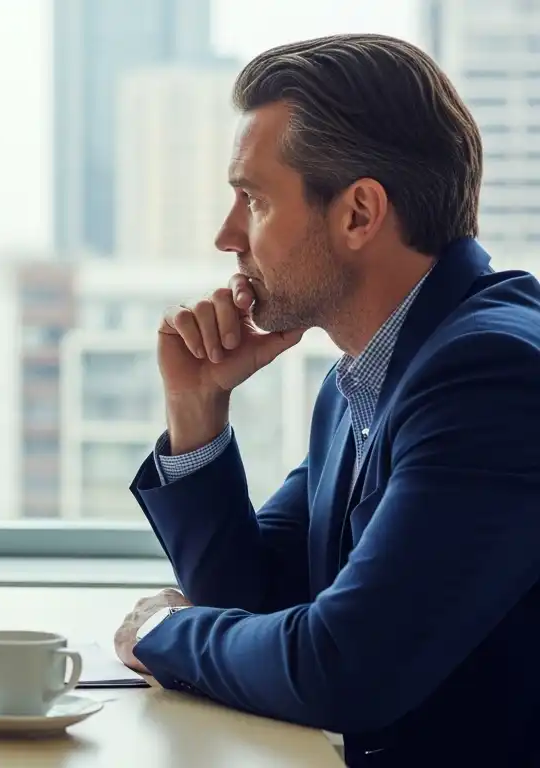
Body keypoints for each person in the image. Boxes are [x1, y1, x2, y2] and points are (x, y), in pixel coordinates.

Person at [111, 34, 540, 766]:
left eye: (253, 200)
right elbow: (255, 601)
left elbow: (344, 667)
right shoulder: (362, 380)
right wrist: (198, 413)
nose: (226, 236)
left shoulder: (490, 375)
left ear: (359, 214)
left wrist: (157, 633)